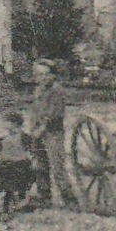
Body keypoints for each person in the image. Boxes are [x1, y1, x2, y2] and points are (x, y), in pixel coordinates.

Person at [30, 61, 78, 207]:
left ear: (52, 75)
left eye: (46, 74)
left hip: (52, 132)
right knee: (40, 164)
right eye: (39, 74)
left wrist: (41, 129)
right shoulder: (38, 91)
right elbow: (36, 112)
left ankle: (69, 199)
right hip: (38, 132)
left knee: (57, 166)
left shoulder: (56, 91)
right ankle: (44, 196)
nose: (43, 78)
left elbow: (53, 114)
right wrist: (33, 129)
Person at [0, 111, 35, 215]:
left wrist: (33, 158)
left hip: (21, 165)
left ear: (15, 123)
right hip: (7, 166)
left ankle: (21, 203)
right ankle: (6, 207)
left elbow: (33, 148)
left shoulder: (24, 136)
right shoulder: (3, 139)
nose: (5, 125)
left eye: (7, 122)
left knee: (21, 187)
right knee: (8, 188)